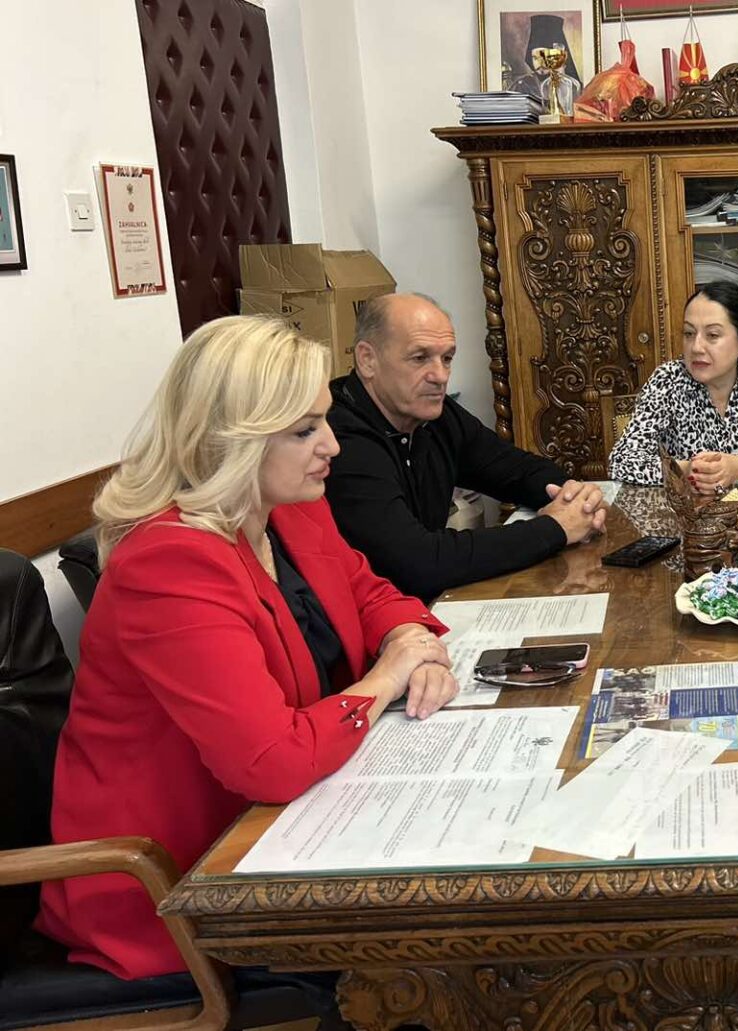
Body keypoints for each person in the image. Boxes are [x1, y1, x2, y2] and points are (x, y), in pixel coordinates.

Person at [38, 317, 460, 980]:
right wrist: (386, 677)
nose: (332, 446)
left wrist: (409, 636)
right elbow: (272, 762)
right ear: (230, 440)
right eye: (304, 430)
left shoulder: (287, 504)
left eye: (325, 420)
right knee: (440, 950)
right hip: (180, 883)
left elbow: (368, 590)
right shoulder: (169, 562)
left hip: (291, 821)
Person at [326, 293, 606, 600]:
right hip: (372, 619)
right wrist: (555, 528)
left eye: (447, 358)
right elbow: (418, 563)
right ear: (367, 359)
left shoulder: (432, 415)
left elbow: (516, 469)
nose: (440, 376)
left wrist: (574, 498)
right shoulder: (338, 439)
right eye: (420, 358)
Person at [609, 281, 738, 490]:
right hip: (688, 508)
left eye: (712, 335)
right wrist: (685, 470)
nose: (696, 347)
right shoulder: (668, 380)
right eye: (689, 333)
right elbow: (621, 461)